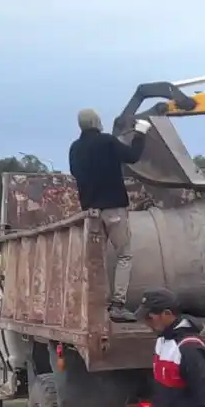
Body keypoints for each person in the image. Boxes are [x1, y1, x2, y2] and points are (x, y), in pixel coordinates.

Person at [69, 108, 152, 322]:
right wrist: (141, 134)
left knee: (97, 259)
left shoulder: (75, 148)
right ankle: (117, 305)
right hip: (113, 209)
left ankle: (94, 306)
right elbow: (133, 157)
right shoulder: (107, 142)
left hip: (90, 213)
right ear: (97, 121)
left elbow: (75, 173)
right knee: (124, 254)